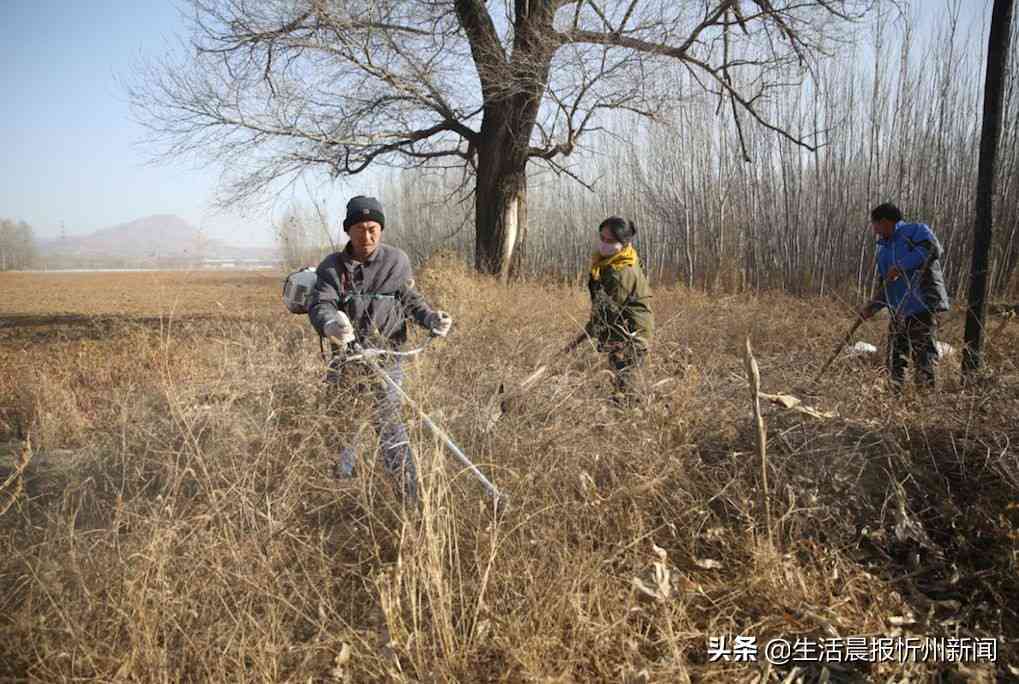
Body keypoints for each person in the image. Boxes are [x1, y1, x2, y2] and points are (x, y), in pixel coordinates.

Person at [308, 195, 452, 502]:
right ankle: (337, 491)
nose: (367, 235)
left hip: (387, 360)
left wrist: (431, 320)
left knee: (388, 426)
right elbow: (321, 304)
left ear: (381, 229)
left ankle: (409, 495)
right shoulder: (332, 267)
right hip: (346, 362)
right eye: (359, 228)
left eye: (373, 227)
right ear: (348, 231)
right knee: (343, 425)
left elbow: (411, 302)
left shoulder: (396, 261)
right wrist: (331, 325)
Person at [858, 202, 950, 391]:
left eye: (875, 224)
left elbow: (932, 249)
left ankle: (926, 398)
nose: (874, 230)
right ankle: (895, 395)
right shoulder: (882, 249)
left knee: (923, 355)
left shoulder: (915, 232)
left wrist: (901, 265)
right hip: (898, 311)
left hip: (921, 305)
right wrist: (872, 308)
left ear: (884, 222)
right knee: (895, 356)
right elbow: (885, 286)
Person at [585, 216, 654, 404]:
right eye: (602, 238)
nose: (604, 244)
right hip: (619, 328)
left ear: (624, 243)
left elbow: (608, 310)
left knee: (627, 382)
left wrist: (590, 330)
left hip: (632, 333)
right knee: (619, 376)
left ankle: (633, 419)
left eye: (610, 241)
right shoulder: (613, 261)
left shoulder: (621, 271)